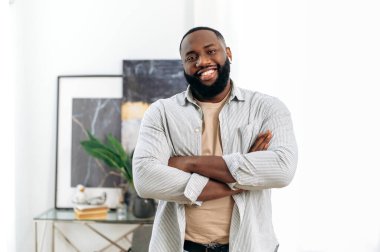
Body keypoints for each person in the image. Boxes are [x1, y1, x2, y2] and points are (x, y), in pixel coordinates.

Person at [133, 27, 298, 252]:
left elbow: (282, 169)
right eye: (191, 57)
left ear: (228, 53)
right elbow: (145, 179)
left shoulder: (267, 108)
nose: (202, 61)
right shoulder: (161, 112)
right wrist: (243, 177)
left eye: (211, 51)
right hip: (181, 246)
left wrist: (189, 163)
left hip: (249, 245)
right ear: (183, 65)